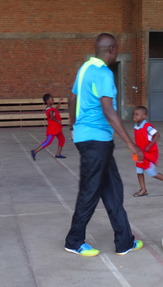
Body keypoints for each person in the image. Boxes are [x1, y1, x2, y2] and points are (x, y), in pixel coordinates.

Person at [65, 33, 144, 257]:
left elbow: (72, 99)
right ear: (112, 49)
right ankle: (74, 240)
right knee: (90, 192)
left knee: (112, 190)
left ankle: (124, 241)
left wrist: (73, 127)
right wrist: (130, 143)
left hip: (93, 139)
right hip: (95, 141)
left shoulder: (84, 69)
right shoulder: (103, 73)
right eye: (117, 50)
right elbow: (108, 110)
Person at [132, 106, 163, 197]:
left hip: (149, 152)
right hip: (141, 152)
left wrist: (149, 145)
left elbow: (157, 134)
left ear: (144, 116)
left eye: (137, 114)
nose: (134, 116)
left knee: (151, 172)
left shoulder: (147, 126)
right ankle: (143, 189)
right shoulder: (136, 126)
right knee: (139, 170)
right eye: (134, 114)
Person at [31, 94, 66, 160]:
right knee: (48, 142)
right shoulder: (49, 109)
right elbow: (52, 116)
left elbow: (56, 110)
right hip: (53, 129)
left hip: (57, 128)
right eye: (52, 99)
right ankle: (34, 151)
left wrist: (59, 102)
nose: (53, 100)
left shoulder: (52, 109)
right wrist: (58, 121)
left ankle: (58, 154)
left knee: (62, 139)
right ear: (47, 101)